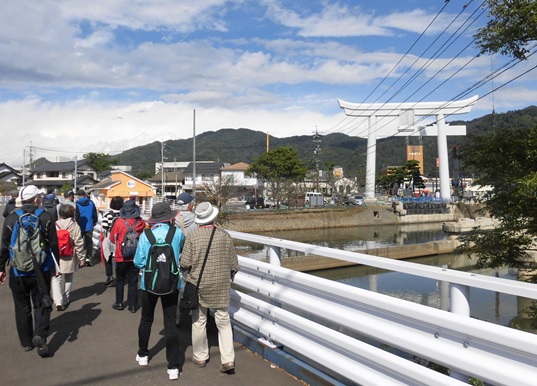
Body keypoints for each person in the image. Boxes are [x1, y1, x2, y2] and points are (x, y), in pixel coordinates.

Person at [180, 202, 239, 374]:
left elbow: (185, 263)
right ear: (213, 217)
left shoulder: (192, 237)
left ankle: (200, 356)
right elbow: (234, 264)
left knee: (199, 321)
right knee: (223, 321)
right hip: (220, 285)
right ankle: (228, 360)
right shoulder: (224, 236)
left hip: (199, 285)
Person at [0, 185, 60, 357]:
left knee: (21, 306)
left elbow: (4, 246)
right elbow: (53, 245)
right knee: (41, 303)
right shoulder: (47, 217)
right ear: (36, 200)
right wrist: (55, 267)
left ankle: (26, 342)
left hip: (18, 272)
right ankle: (40, 335)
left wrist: (1, 268)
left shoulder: (11, 219)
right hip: (41, 270)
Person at [133, 202, 186, 380]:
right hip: (172, 283)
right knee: (170, 324)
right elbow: (181, 255)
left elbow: (138, 261)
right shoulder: (177, 233)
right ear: (169, 217)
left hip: (148, 284)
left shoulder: (146, 234)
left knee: (146, 319)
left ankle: (143, 355)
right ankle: (173, 367)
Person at [109, 199, 146, 312]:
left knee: (120, 279)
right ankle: (133, 305)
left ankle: (119, 303)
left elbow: (112, 238)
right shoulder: (141, 222)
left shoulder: (119, 222)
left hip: (121, 255)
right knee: (133, 281)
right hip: (136, 255)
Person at [52, 204, 85, 311]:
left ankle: (58, 301)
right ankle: (65, 299)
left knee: (57, 278)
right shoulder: (74, 225)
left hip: (57, 255)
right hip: (69, 255)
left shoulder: (55, 224)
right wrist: (82, 259)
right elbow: (79, 243)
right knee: (68, 278)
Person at [100, 196, 124, 287]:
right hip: (120, 239)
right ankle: (119, 276)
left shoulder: (108, 214)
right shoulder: (123, 215)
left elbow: (104, 227)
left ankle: (109, 276)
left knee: (108, 257)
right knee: (119, 257)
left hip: (109, 238)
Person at [75, 189, 98, 266]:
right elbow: (94, 214)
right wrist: (95, 221)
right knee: (89, 243)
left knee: (78, 243)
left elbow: (76, 215)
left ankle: (79, 259)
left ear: (78, 196)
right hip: (89, 225)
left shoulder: (76, 204)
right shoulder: (91, 203)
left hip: (79, 226)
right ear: (85, 194)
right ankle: (88, 258)